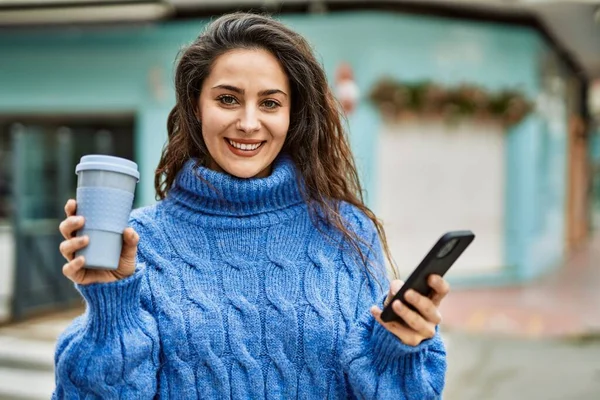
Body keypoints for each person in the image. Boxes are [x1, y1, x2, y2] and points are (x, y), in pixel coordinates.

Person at [54, 12, 449, 399]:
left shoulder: (347, 228)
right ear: (196, 106)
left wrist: (400, 348)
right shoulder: (139, 241)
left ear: (292, 114)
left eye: (270, 103)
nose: (248, 122)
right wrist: (112, 304)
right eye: (228, 99)